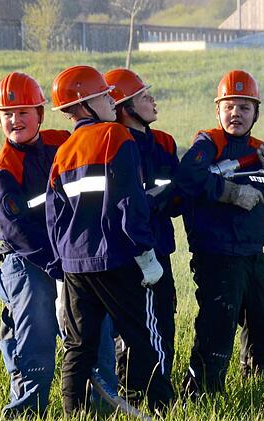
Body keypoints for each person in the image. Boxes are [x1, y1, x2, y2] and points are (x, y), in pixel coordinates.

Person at [46, 65, 174, 416]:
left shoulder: (64, 151)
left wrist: (61, 265)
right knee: (142, 338)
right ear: (87, 103)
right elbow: (129, 202)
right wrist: (146, 253)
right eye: (105, 96)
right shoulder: (116, 138)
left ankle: (74, 413)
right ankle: (158, 409)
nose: (111, 101)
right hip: (115, 261)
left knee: (78, 348)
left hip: (74, 266)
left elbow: (54, 216)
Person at [174, 70, 264, 398]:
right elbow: (187, 178)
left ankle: (256, 382)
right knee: (218, 324)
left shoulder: (262, 152)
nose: (236, 114)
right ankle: (201, 392)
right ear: (218, 111)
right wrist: (230, 192)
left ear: (256, 113)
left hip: (253, 255)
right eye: (229, 106)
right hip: (216, 254)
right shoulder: (208, 144)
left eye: (244, 107)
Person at [0, 72, 68, 418]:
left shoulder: (61, 142)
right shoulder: (2, 172)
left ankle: (92, 405)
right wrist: (58, 267)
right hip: (26, 261)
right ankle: (25, 410)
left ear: (40, 114)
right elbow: (19, 233)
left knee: (90, 328)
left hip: (65, 256)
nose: (15, 121)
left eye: (23, 113)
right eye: (8, 114)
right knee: (36, 335)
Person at [104, 68, 180, 404]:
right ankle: (147, 399)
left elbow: (176, 195)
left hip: (160, 247)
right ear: (124, 106)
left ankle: (152, 392)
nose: (152, 100)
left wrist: (159, 198)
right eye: (143, 96)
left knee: (162, 322)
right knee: (139, 328)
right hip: (130, 252)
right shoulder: (114, 143)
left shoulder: (163, 141)